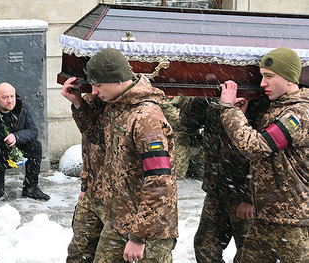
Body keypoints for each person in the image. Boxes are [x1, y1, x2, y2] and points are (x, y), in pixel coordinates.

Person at [61, 48, 178, 262]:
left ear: (115, 80)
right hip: (119, 220)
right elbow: (98, 137)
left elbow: (159, 182)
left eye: (98, 85)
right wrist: (78, 105)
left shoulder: (146, 118)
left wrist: (139, 237)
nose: (94, 92)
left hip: (150, 230)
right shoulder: (117, 107)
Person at [219, 47, 309, 262]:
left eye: (269, 76)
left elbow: (255, 147)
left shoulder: (298, 114)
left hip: (293, 221)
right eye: (261, 77)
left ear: (289, 78)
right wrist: (240, 117)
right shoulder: (279, 107)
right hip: (267, 217)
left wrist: (228, 109)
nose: (262, 84)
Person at [180, 97, 269, 262]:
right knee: (205, 248)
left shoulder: (260, 100)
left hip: (245, 190)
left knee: (249, 255)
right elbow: (187, 121)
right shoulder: (215, 97)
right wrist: (202, 95)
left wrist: (250, 197)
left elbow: (265, 154)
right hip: (216, 188)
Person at [67, 95, 106, 263]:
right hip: (93, 190)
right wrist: (86, 185)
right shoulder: (91, 101)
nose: (94, 90)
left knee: (109, 255)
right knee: (78, 253)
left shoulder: (125, 109)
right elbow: (90, 152)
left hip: (118, 197)